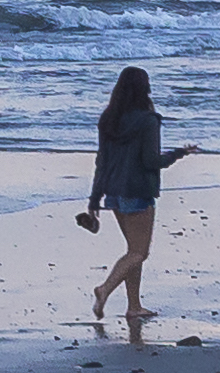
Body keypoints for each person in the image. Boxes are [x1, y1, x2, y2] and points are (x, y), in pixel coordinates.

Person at [81, 67, 199, 320]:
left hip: (112, 191)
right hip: (137, 191)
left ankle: (134, 306)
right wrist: (180, 153)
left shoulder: (108, 119)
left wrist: (94, 198)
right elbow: (151, 161)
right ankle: (104, 289)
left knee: (132, 250)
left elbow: (102, 160)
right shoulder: (148, 120)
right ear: (145, 89)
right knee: (139, 253)